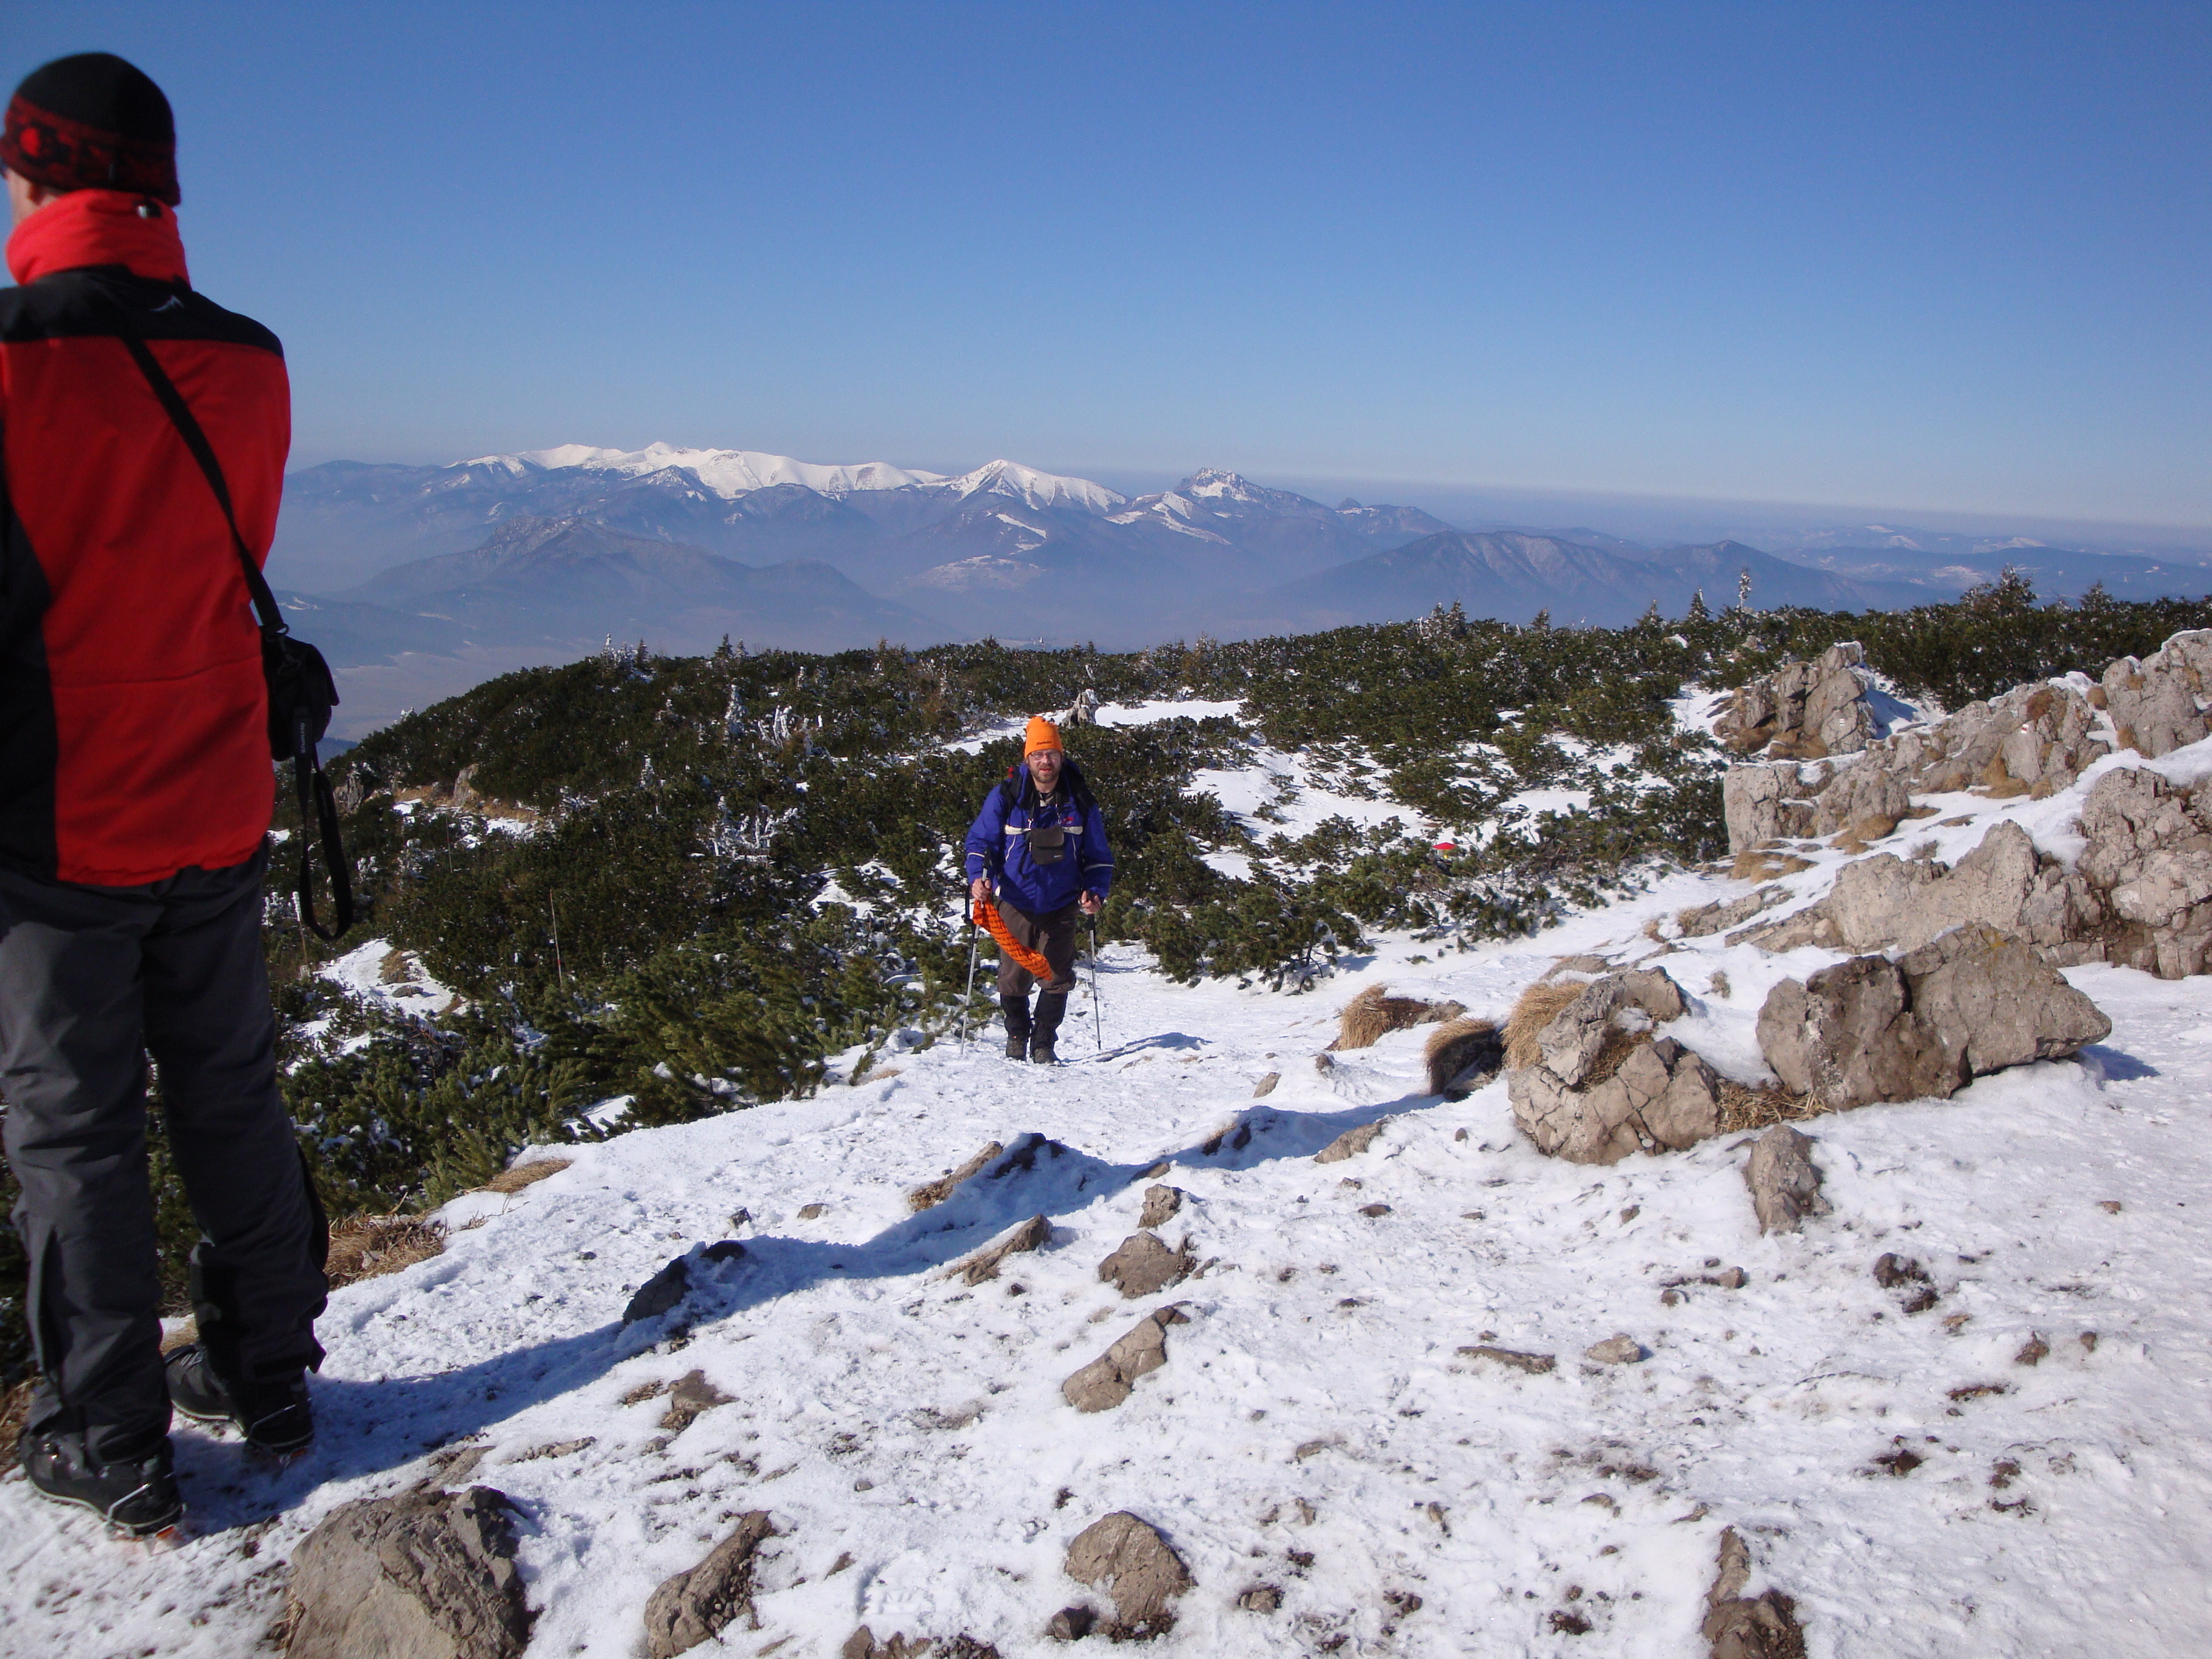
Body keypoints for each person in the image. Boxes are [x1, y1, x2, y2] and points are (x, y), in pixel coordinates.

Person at [0, 53, 327, 1535]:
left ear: (37, 173)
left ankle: (111, 1432)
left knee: (74, 1129)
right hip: (212, 790)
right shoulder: (249, 360)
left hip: (56, 814)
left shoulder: (16, 356)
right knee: (229, 1089)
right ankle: (270, 1372)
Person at [964, 717, 1114, 1063]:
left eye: (1052, 754)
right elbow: (981, 843)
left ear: (1061, 757)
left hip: (1062, 902)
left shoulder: (1080, 800)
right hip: (1015, 901)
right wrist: (978, 877)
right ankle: (1017, 1035)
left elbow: (1098, 855)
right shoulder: (1006, 796)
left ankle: (1044, 1043)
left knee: (1057, 976)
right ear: (1028, 758)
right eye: (1038, 755)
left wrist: (1095, 891)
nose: (1045, 761)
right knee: (1013, 976)